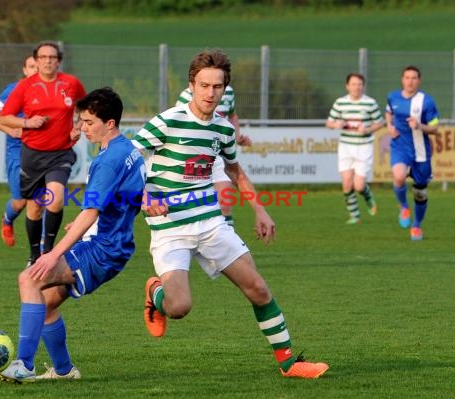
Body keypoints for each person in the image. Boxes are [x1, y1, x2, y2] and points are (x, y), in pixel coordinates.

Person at [133, 49, 329, 379]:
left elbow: (236, 171)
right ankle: (155, 292)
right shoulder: (167, 121)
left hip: (210, 223)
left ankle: (289, 363)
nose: (210, 93)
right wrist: (144, 192)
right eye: (204, 85)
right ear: (192, 85)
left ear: (225, 89)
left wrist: (259, 209)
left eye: (217, 87)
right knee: (179, 307)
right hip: (169, 228)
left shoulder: (223, 130)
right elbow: (126, 157)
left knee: (258, 289)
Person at [0, 87, 146, 383]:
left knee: (29, 278)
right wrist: (88, 223)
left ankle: (24, 365)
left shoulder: (109, 160)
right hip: (114, 244)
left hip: (103, 249)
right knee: (47, 304)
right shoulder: (129, 150)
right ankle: (64, 370)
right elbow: (129, 201)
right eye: (81, 121)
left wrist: (53, 253)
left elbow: (91, 212)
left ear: (110, 123)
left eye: (89, 122)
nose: (82, 128)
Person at [0, 41, 87, 265]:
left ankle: (48, 251)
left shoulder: (71, 83)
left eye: (52, 57)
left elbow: (84, 108)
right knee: (35, 207)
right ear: (36, 61)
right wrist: (27, 122)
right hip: (33, 155)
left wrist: (78, 127)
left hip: (61, 153)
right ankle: (33, 254)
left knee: (56, 198)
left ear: (58, 61)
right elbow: (5, 116)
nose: (48, 60)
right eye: (43, 57)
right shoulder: (25, 86)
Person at [176, 85, 251, 226]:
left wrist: (237, 137)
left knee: (225, 203)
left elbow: (232, 115)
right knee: (194, 207)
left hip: (219, 157)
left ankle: (228, 243)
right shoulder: (187, 94)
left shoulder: (228, 92)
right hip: (196, 156)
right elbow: (179, 123)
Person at [0, 55, 38, 247]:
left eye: (37, 66)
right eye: (31, 66)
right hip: (17, 150)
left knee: (42, 201)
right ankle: (7, 220)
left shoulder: (48, 92)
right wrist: (11, 130)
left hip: (42, 151)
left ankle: (41, 250)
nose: (35, 69)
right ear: (25, 70)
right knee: (20, 202)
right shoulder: (13, 90)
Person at [385, 65, 439, 241]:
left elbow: (435, 127)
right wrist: (389, 126)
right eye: (407, 77)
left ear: (419, 81)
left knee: (420, 193)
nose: (410, 81)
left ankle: (416, 226)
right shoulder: (393, 97)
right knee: (399, 176)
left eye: (414, 78)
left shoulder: (427, 101)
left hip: (421, 151)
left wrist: (419, 126)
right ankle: (404, 207)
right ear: (402, 79)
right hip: (400, 145)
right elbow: (388, 112)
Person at [325, 73, 384, 224]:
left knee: (358, 185)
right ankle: (354, 215)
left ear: (363, 86)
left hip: (364, 147)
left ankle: (367, 195)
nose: (356, 87)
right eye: (353, 84)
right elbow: (329, 123)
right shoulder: (340, 103)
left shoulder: (370, 103)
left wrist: (368, 129)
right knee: (346, 182)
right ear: (347, 86)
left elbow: (379, 123)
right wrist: (336, 125)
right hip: (346, 146)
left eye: (359, 84)